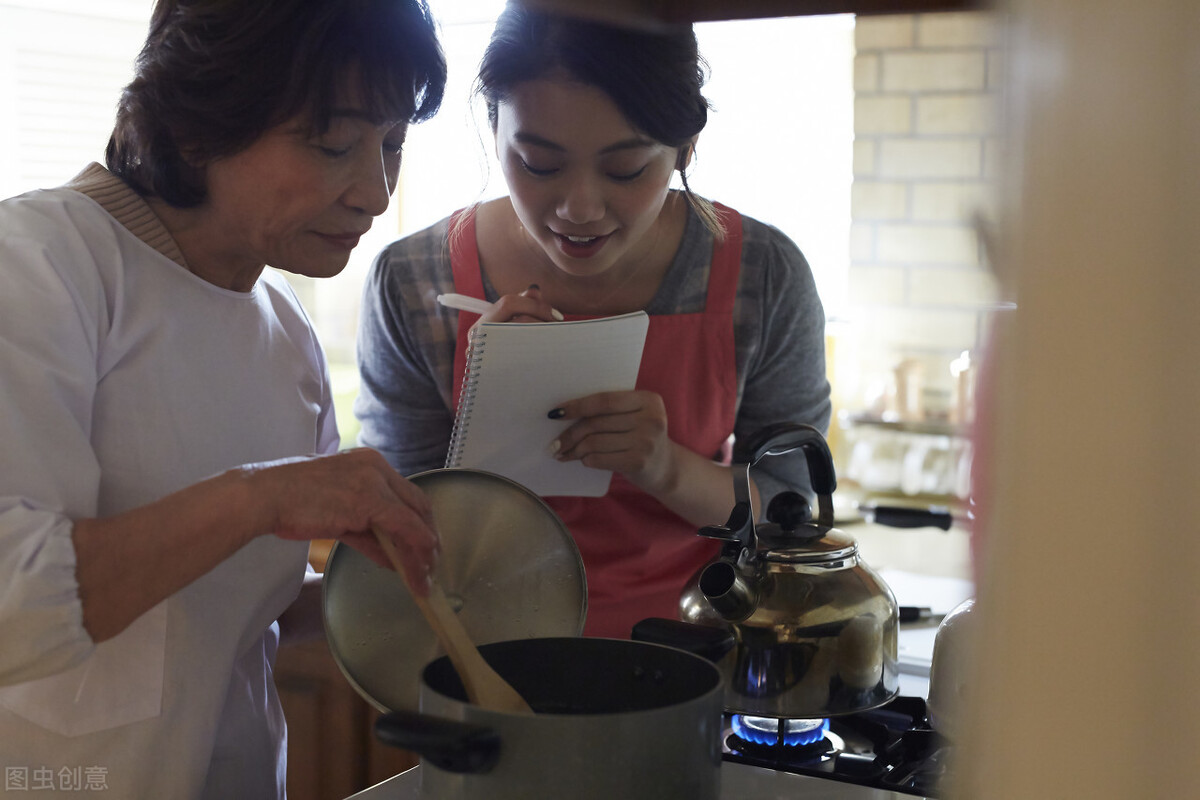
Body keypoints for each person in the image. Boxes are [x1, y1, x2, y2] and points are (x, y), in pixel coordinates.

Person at [0, 1, 446, 797]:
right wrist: (260, 496)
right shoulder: (39, 261)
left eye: (392, 145)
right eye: (335, 145)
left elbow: (225, 609)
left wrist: (406, 601)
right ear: (195, 127)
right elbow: (16, 599)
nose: (376, 195)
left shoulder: (285, 332)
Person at [355, 2, 832, 640]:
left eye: (626, 169)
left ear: (686, 146)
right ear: (493, 128)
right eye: (539, 164)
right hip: (480, 655)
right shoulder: (415, 281)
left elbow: (795, 512)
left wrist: (664, 467)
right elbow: (392, 533)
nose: (579, 209)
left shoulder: (762, 275)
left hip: (693, 654)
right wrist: (496, 415)